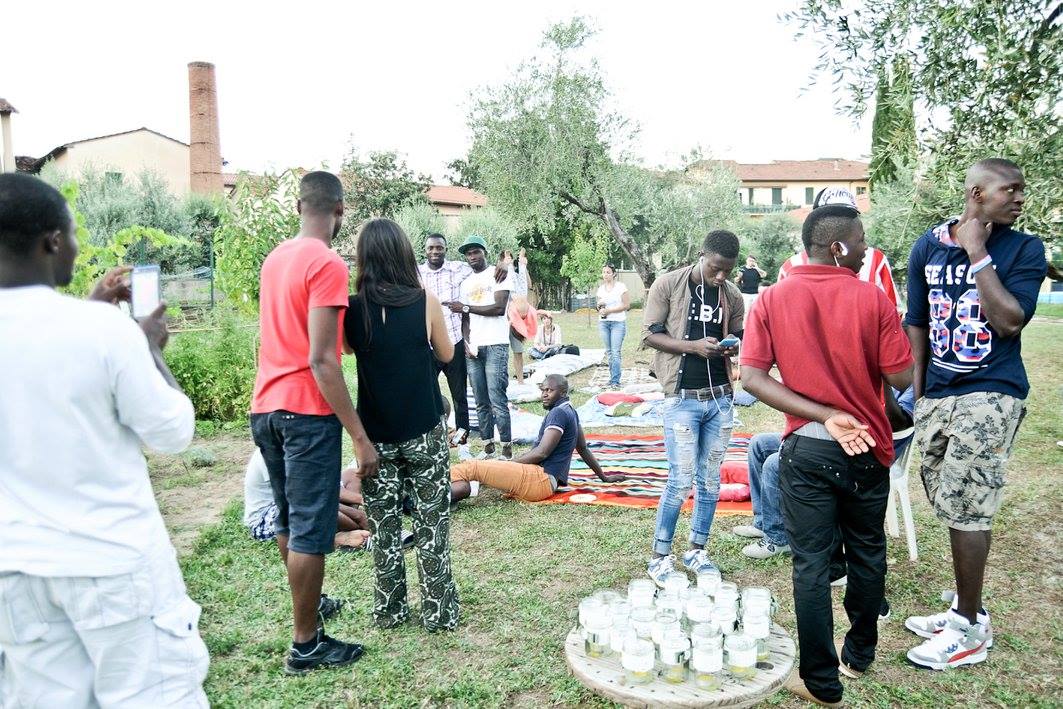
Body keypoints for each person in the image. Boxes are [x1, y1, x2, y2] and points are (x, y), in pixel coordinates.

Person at [0, 173, 208, 705]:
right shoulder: (103, 332)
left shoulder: (88, 325)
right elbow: (172, 433)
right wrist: (150, 350)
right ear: (52, 241)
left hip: (16, 571)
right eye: (71, 234)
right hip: (112, 564)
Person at [741, 203, 914, 707]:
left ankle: (821, 682)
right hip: (867, 448)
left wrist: (822, 414)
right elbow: (902, 377)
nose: (866, 250)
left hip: (808, 450)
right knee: (867, 550)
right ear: (837, 246)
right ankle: (859, 656)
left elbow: (751, 378)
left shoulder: (772, 298)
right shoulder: (872, 298)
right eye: (860, 241)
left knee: (811, 566)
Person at [903, 158, 1047, 671]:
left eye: (1021, 190)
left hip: (992, 390)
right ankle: (969, 611)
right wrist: (921, 394)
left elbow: (1009, 321)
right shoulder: (926, 246)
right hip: (938, 395)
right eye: (1011, 189)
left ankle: (966, 629)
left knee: (968, 505)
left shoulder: (1025, 249)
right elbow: (917, 321)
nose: (1020, 198)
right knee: (950, 500)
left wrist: (977, 251)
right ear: (977, 193)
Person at [250, 170, 377, 674]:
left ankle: (312, 603)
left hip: (266, 407)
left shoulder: (275, 259)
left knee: (287, 517)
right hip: (305, 412)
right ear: (339, 210)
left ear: (299, 207)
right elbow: (324, 359)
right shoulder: (326, 263)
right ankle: (306, 645)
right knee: (309, 527)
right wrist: (359, 437)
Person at [344, 217, 460, 632]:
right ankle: (439, 613)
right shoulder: (425, 301)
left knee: (384, 529)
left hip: (375, 436)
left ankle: (390, 612)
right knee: (432, 527)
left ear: (364, 259)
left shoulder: (352, 308)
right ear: (405, 255)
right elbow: (446, 354)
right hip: (424, 428)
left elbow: (347, 349)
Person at [641, 231, 745, 586]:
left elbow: (739, 334)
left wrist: (732, 345)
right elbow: (650, 335)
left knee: (710, 480)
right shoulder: (668, 284)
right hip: (682, 398)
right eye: (716, 268)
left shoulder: (732, 294)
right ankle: (660, 557)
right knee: (680, 479)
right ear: (702, 255)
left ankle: (697, 550)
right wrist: (693, 347)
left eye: (728, 270)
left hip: (720, 398)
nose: (721, 276)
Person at [734, 386, 916, 565]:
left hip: (864, 452)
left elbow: (896, 422)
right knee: (759, 444)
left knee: (774, 464)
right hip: (836, 436)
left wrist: (884, 384)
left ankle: (778, 538)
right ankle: (763, 522)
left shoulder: (910, 386)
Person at [450, 375, 624, 503]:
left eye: (550, 390)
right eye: (543, 390)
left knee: (473, 466)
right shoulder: (570, 410)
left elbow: (542, 453)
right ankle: (448, 493)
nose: (544, 394)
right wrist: (603, 477)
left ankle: (435, 484)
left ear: (563, 392)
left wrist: (510, 464)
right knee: (468, 482)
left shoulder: (558, 413)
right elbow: (583, 449)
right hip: (547, 482)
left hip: (540, 480)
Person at [419, 233, 503, 447]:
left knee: (459, 394)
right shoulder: (416, 273)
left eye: (439, 248)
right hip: (427, 343)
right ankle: (431, 432)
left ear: (445, 249)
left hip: (454, 340)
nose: (435, 251)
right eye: (431, 248)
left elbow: (482, 267)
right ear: (425, 250)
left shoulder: (458, 268)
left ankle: (462, 435)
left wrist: (503, 265)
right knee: (426, 391)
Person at [447, 235, 515, 460]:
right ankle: (488, 448)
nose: (472, 256)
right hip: (474, 348)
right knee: (480, 401)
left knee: (497, 399)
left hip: (496, 344)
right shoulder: (465, 282)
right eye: (468, 253)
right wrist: (467, 342)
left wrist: (466, 307)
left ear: (485, 252)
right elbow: (465, 319)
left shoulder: (498, 273)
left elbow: (499, 308)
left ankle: (506, 450)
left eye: (476, 251)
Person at [778, 187, 898, 308]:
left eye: (847, 214)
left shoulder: (875, 259)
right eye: (830, 214)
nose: (839, 220)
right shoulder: (790, 267)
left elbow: (892, 311)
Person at [244, 449, 372, 550]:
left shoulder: (303, 445)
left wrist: (361, 500)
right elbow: (303, 498)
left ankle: (342, 526)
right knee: (314, 505)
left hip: (309, 502)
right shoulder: (271, 452)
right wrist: (358, 515)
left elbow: (323, 485)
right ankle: (338, 537)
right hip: (268, 518)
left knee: (352, 475)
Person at [596, 263, 630, 388]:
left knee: (615, 352)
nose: (605, 275)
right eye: (604, 272)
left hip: (618, 322)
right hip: (604, 323)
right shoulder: (600, 289)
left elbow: (626, 305)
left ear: (613, 274)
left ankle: (615, 381)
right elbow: (599, 306)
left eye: (608, 272)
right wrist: (600, 308)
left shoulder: (621, 287)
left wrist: (610, 311)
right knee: (609, 352)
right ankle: (611, 378)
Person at [505, 248, 535, 384]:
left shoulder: (518, 281)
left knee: (518, 352)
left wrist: (524, 266)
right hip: (506, 320)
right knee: (502, 354)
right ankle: (503, 380)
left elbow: (528, 284)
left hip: (517, 320)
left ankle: (520, 380)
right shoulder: (503, 276)